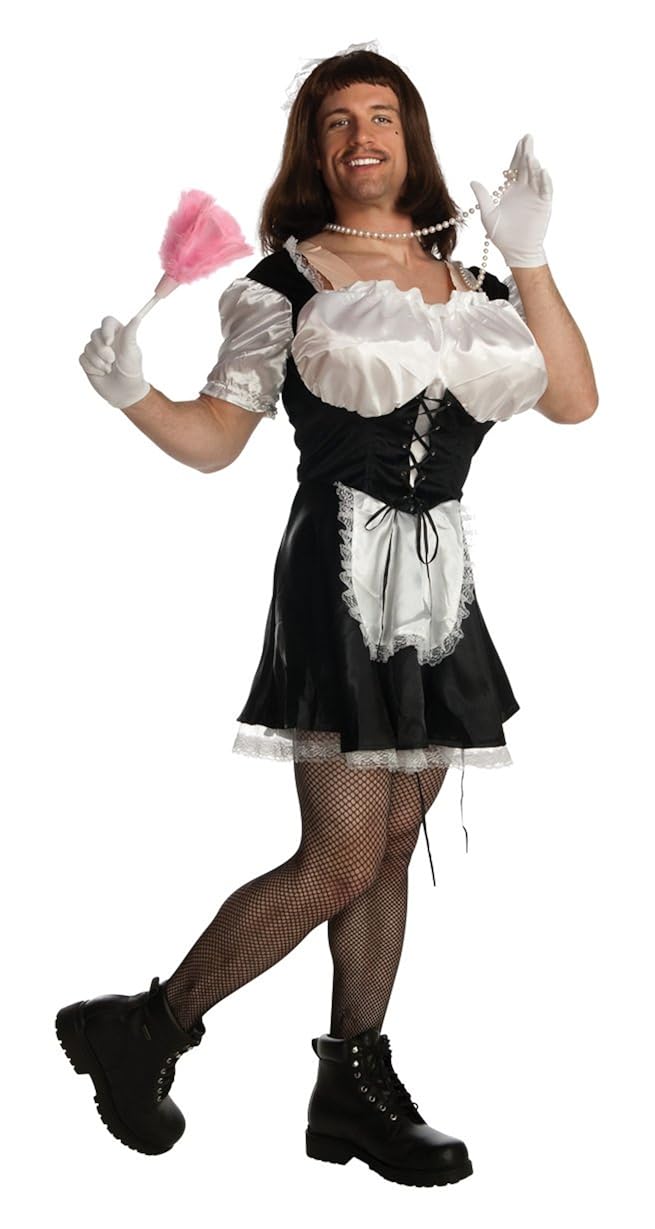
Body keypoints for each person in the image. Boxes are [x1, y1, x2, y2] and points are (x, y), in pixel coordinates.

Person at [57, 46, 598, 1186]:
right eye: (337, 119)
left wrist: (531, 256)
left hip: (441, 586)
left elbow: (572, 398)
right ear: (314, 146)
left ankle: (351, 1079)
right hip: (337, 576)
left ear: (411, 134)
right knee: (342, 851)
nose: (362, 136)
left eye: (382, 115)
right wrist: (135, 396)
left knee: (392, 840)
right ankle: (147, 1026)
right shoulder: (286, 280)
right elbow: (217, 440)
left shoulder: (477, 281)